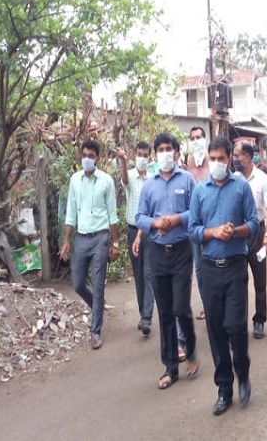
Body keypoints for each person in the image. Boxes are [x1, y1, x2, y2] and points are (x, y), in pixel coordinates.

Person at [189, 136, 259, 416]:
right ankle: (224, 389)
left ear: (230, 158)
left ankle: (243, 373)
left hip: (234, 266)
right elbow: (193, 229)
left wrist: (236, 231)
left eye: (221, 158)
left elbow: (253, 223)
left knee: (236, 327)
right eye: (213, 158)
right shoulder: (199, 191)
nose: (217, 163)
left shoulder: (241, 187)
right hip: (209, 268)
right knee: (216, 330)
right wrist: (212, 232)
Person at [135, 133, 200, 389]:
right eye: (160, 149)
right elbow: (140, 217)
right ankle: (170, 368)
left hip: (182, 250)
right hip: (158, 253)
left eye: (168, 149)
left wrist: (176, 219)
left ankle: (190, 350)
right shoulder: (149, 186)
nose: (164, 153)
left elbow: (197, 211)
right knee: (164, 312)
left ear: (176, 152)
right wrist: (155, 223)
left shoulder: (187, 180)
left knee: (181, 307)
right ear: (155, 154)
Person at [59, 139, 121, 350]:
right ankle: (97, 306)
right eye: (84, 155)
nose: (87, 159)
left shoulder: (106, 181)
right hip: (81, 238)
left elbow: (112, 214)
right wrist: (66, 241)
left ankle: (95, 331)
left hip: (101, 237)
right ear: (81, 156)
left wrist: (115, 243)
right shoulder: (75, 180)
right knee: (77, 283)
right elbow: (71, 212)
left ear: (97, 158)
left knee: (98, 282)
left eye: (91, 156)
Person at [232, 141, 267, 339]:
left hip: (257, 233)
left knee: (260, 279)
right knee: (238, 280)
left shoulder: (262, 179)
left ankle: (259, 320)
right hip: (239, 233)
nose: (234, 159)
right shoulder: (233, 179)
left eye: (237, 155)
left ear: (247, 157)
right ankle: (239, 321)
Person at [118, 142, 156, 336]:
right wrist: (124, 162)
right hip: (133, 231)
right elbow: (125, 181)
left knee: (149, 273)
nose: (142, 157)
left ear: (150, 157)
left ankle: (147, 317)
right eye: (139, 154)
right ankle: (143, 313)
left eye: (145, 154)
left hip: (149, 231)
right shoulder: (130, 175)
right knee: (139, 274)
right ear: (135, 154)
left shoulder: (153, 178)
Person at [186, 126, 209, 322]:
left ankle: (216, 303)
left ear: (205, 138)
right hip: (195, 223)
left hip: (213, 221)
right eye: (192, 138)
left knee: (214, 265)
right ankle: (206, 304)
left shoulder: (213, 159)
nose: (196, 140)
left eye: (198, 137)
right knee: (200, 269)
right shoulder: (189, 161)